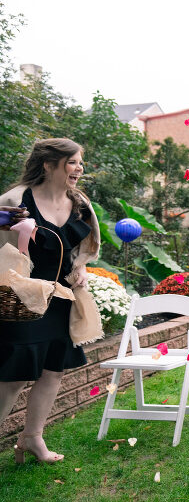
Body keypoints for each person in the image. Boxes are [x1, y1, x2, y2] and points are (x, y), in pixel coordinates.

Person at [0, 139, 101, 464]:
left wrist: (82, 267)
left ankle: (32, 438)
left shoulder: (81, 204)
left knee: (52, 371)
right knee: (14, 375)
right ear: (49, 164)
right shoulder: (14, 201)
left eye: (80, 162)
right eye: (72, 162)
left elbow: (84, 245)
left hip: (60, 297)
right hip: (21, 299)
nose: (79, 168)